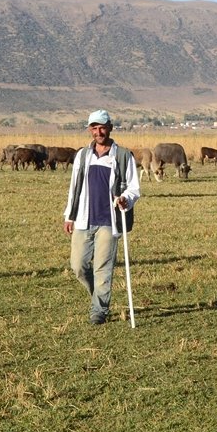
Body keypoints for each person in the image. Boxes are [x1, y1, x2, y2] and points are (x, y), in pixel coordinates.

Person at [63, 110, 141, 324]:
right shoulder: (82, 155)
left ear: (110, 128)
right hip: (83, 218)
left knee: (103, 268)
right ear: (90, 129)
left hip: (109, 221)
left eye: (102, 128)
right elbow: (74, 188)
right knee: (78, 266)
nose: (98, 132)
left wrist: (125, 199)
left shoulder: (123, 156)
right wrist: (69, 216)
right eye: (94, 128)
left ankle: (99, 310)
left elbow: (134, 188)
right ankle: (96, 297)